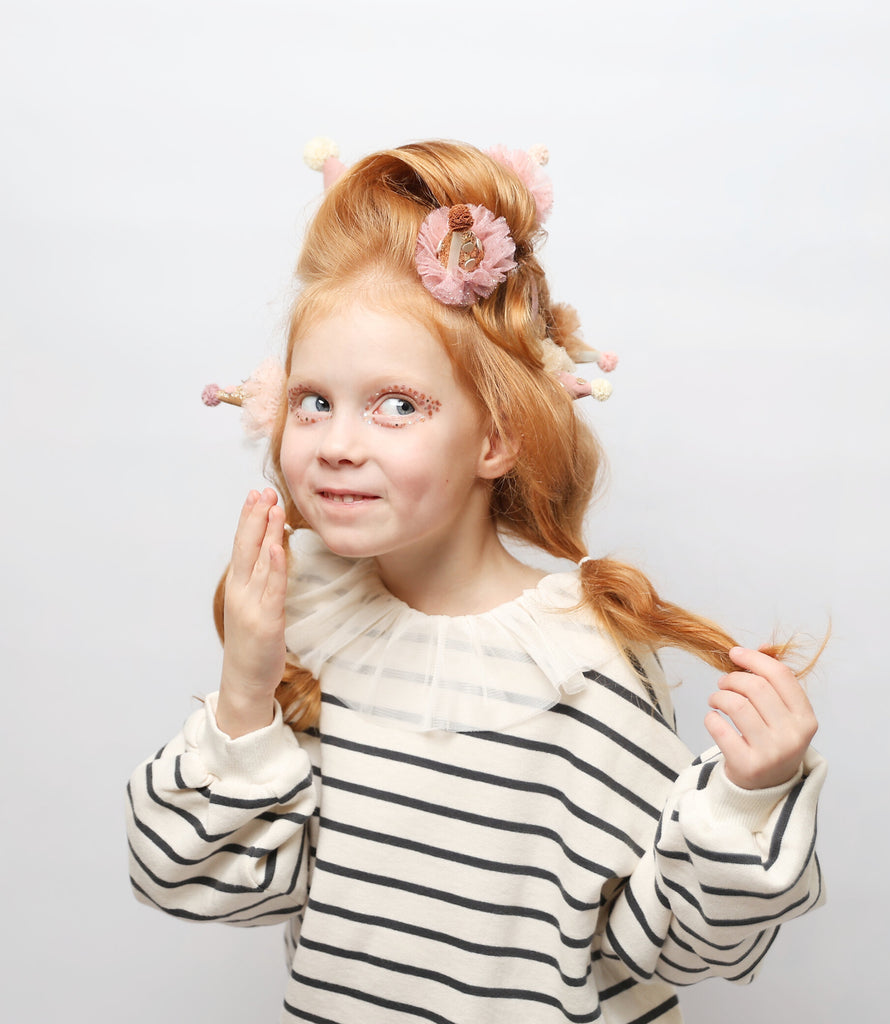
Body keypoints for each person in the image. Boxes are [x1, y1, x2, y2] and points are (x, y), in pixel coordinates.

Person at [126, 139, 825, 1024]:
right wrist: (243, 693)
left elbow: (669, 949)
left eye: (397, 405)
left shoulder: (578, 665)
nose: (337, 443)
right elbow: (184, 879)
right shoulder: (311, 619)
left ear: (495, 438)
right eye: (314, 401)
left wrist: (745, 800)